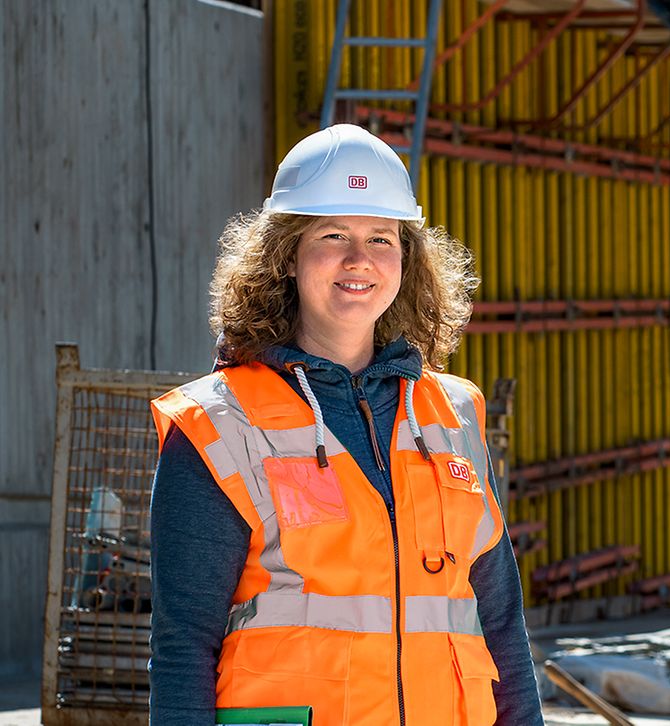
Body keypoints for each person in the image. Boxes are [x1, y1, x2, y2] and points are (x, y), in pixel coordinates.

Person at [148, 124, 544, 725]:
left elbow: (500, 626)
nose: (360, 260)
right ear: (287, 256)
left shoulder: (453, 415)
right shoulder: (220, 425)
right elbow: (183, 647)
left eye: (382, 238)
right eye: (333, 235)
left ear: (406, 260)